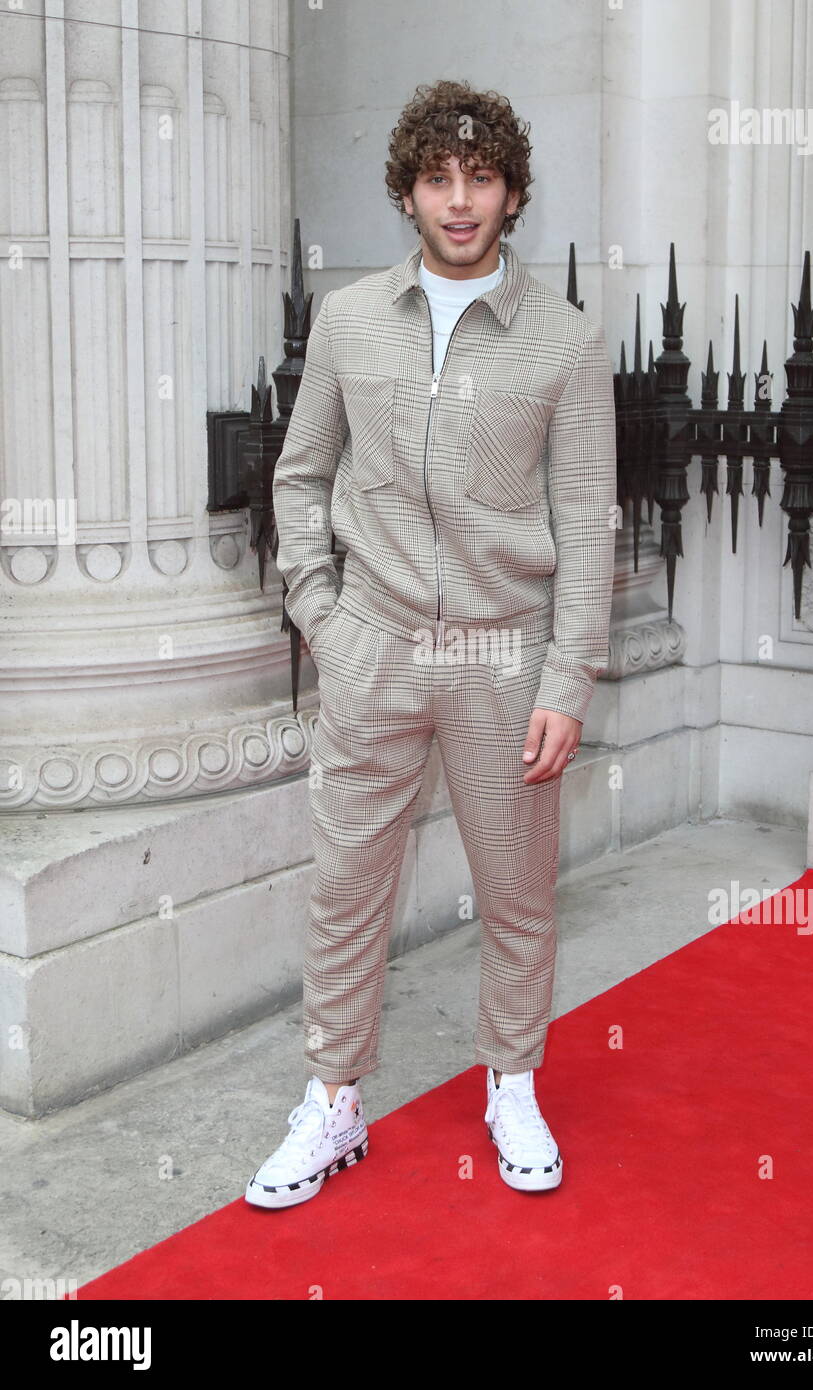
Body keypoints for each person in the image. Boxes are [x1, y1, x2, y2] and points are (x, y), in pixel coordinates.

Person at [246, 79, 616, 1208]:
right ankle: (333, 1099)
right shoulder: (352, 320)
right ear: (407, 191)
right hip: (375, 647)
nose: (459, 202)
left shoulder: (562, 340)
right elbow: (301, 474)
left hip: (505, 661)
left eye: (481, 179)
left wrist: (569, 674)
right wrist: (323, 611)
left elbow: (587, 519)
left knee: (513, 889)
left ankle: (510, 1078)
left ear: (511, 193)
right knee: (345, 886)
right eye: (437, 179)